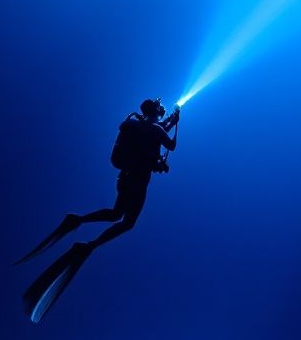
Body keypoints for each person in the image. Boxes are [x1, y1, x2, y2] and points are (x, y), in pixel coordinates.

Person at [15, 98, 179, 322]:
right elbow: (169, 144)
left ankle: (78, 219)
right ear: (155, 112)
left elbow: (156, 133)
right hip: (139, 181)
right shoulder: (155, 129)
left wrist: (171, 120)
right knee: (128, 222)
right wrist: (175, 122)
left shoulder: (135, 126)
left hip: (125, 177)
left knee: (115, 213)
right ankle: (88, 245)